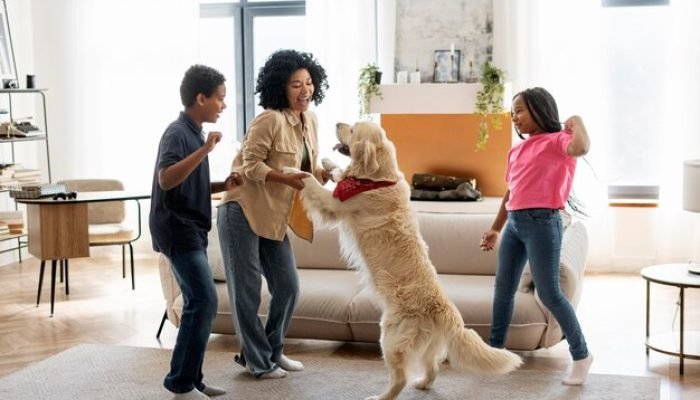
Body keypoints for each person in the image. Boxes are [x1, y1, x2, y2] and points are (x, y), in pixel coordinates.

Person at [216, 49, 331, 379]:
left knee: (288, 286)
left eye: (309, 83)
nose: (304, 90)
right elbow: (249, 165)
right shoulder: (269, 119)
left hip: (274, 216)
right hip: (242, 210)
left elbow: (309, 167)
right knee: (247, 290)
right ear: (280, 86)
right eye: (296, 84)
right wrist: (284, 177)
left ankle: (270, 352)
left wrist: (328, 170)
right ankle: (257, 360)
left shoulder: (311, 121)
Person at [480, 87, 593, 385]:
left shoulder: (560, 141)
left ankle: (581, 355)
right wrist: (495, 228)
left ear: (540, 109)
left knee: (549, 293)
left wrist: (577, 120)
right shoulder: (516, 150)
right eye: (512, 112)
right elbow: (511, 192)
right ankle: (495, 350)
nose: (514, 117)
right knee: (503, 288)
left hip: (543, 223)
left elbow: (582, 147)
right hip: (515, 224)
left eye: (519, 110)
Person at [150, 64, 241, 399]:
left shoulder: (193, 133)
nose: (224, 105)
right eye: (220, 98)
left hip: (191, 228)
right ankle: (181, 384)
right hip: (177, 230)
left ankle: (192, 379)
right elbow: (166, 179)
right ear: (200, 98)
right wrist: (206, 151)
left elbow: (187, 184)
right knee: (204, 300)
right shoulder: (178, 133)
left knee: (197, 301)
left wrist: (221, 184)